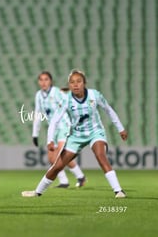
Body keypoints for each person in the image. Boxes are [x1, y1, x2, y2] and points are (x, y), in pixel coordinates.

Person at [22, 69, 128, 198]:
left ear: (84, 83)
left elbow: (108, 110)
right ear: (69, 85)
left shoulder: (94, 95)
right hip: (76, 136)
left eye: (79, 81)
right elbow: (54, 120)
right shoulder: (66, 100)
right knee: (57, 165)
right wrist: (49, 140)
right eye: (72, 82)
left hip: (95, 132)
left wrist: (120, 128)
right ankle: (37, 192)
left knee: (100, 156)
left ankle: (118, 191)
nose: (75, 84)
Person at [32, 71, 86, 188]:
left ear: (50, 81)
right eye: (41, 80)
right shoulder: (38, 95)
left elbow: (70, 101)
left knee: (61, 154)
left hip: (64, 125)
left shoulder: (57, 92)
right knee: (52, 158)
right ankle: (65, 181)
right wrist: (35, 134)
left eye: (46, 79)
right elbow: (37, 114)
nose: (43, 82)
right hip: (53, 129)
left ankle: (80, 176)